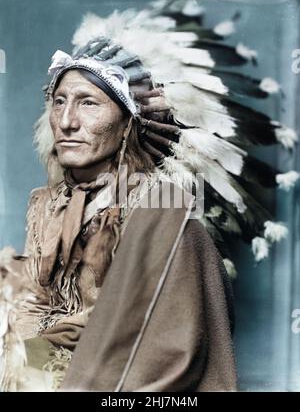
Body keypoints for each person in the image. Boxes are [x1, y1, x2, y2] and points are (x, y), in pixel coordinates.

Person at [1, 35, 237, 392]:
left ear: (129, 121)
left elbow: (166, 349)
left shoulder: (162, 210)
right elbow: (34, 302)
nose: (66, 121)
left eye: (88, 103)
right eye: (59, 101)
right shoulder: (47, 205)